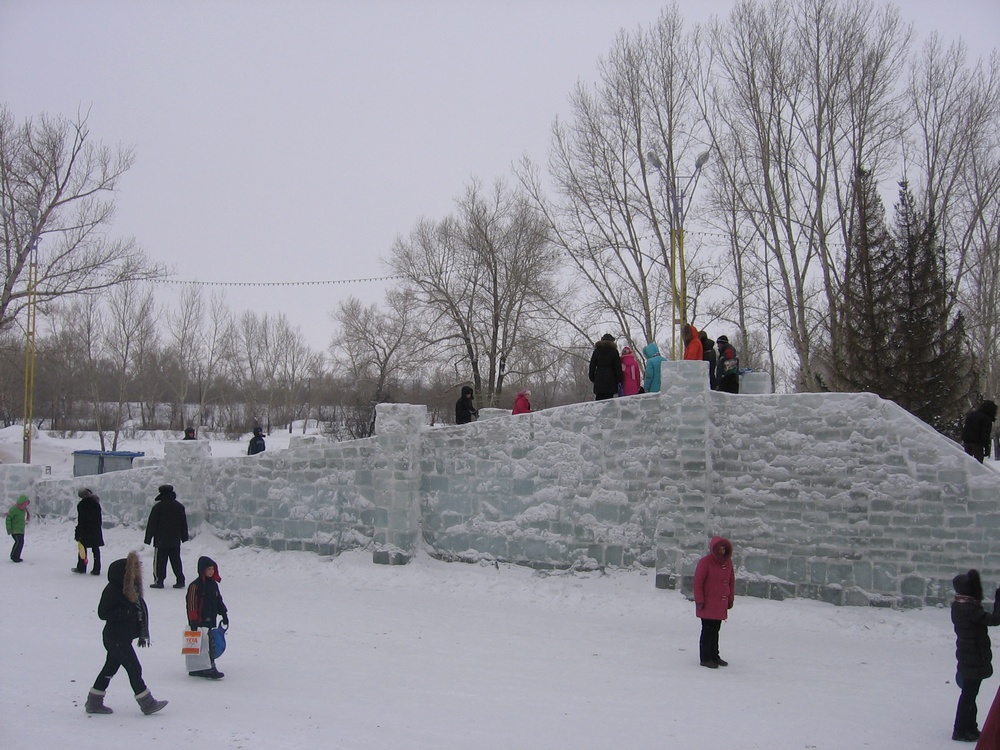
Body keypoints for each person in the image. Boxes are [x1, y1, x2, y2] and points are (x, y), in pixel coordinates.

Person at [84, 551, 168, 715]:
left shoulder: (131, 588)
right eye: (133, 568)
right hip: (115, 638)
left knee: (110, 668)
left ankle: (94, 701)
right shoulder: (113, 590)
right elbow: (103, 613)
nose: (137, 571)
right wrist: (125, 613)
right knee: (134, 668)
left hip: (122, 638)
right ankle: (147, 703)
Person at [951, 569, 1000, 742]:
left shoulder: (960, 605)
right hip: (972, 656)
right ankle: (961, 729)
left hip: (968, 655)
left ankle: (969, 727)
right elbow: (995, 619)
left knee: (969, 693)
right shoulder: (969, 608)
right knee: (969, 694)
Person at [693, 535, 736, 669]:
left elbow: (731, 581)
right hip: (707, 603)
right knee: (707, 630)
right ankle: (705, 657)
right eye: (719, 549)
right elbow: (698, 582)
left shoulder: (728, 563)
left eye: (724, 549)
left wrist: (730, 598)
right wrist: (699, 600)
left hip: (720, 604)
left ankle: (714, 655)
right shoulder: (705, 562)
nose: (721, 552)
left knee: (715, 630)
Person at [186, 556, 229, 679]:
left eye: (212, 569)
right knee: (200, 644)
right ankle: (207, 667)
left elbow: (218, 600)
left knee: (209, 642)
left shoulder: (213, 585)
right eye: (208, 569)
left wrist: (224, 613)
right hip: (199, 620)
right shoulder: (195, 586)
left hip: (211, 619)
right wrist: (193, 620)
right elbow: (191, 604)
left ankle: (201, 666)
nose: (211, 571)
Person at [143, 484, 189, 589]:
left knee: (160, 561)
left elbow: (152, 524)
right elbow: (183, 523)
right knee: (176, 560)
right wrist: (184, 537)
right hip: (175, 540)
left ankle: (159, 581)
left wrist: (148, 538)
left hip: (161, 540)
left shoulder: (158, 507)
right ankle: (180, 580)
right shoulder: (179, 506)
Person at [73, 488, 105, 576]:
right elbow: (99, 518)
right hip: (95, 529)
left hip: (85, 530)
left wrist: (78, 531)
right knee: (96, 549)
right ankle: (96, 569)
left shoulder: (82, 505)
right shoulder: (96, 503)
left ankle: (81, 567)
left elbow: (81, 520)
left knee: (82, 549)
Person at [589, 333, 622, 401]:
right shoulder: (614, 351)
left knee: (599, 401)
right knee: (609, 401)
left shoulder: (597, 351)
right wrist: (619, 379)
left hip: (599, 378)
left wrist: (593, 378)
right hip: (611, 379)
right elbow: (617, 367)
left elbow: (592, 366)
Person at [5, 495, 30, 563]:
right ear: (20, 503)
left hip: (20, 530)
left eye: (26, 504)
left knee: (21, 542)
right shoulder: (14, 509)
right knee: (18, 541)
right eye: (24, 504)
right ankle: (13, 556)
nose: (25, 506)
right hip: (14, 530)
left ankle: (17, 556)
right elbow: (8, 518)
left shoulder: (23, 510)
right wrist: (8, 528)